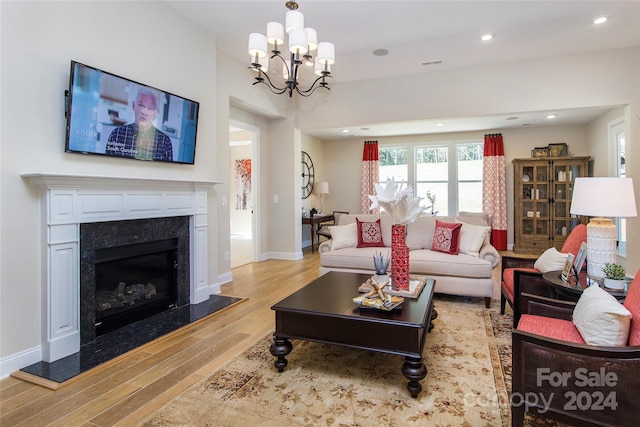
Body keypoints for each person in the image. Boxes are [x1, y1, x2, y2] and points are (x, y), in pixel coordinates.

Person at [106, 88, 173, 161]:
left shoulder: (165, 142)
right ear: (133, 105)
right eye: (141, 105)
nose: (144, 112)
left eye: (150, 108)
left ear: (155, 113)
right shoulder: (117, 134)